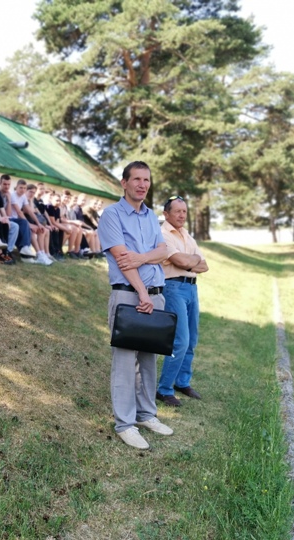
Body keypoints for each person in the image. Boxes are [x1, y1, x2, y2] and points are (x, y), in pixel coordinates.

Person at [97, 160, 173, 450]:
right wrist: (142, 293)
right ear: (124, 183)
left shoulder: (151, 216)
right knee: (125, 362)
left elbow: (163, 251)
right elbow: (121, 258)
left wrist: (141, 258)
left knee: (148, 358)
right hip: (129, 296)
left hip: (155, 295)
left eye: (146, 180)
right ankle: (125, 424)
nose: (142, 185)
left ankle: (146, 414)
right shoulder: (112, 214)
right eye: (137, 179)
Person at [156, 196, 209, 406]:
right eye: (177, 211)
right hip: (173, 288)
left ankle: (182, 382)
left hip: (192, 288)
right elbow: (179, 260)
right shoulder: (162, 234)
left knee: (192, 340)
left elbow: (204, 266)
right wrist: (190, 260)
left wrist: (189, 262)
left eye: (184, 211)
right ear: (166, 214)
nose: (181, 215)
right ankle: (164, 389)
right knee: (180, 341)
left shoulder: (186, 235)